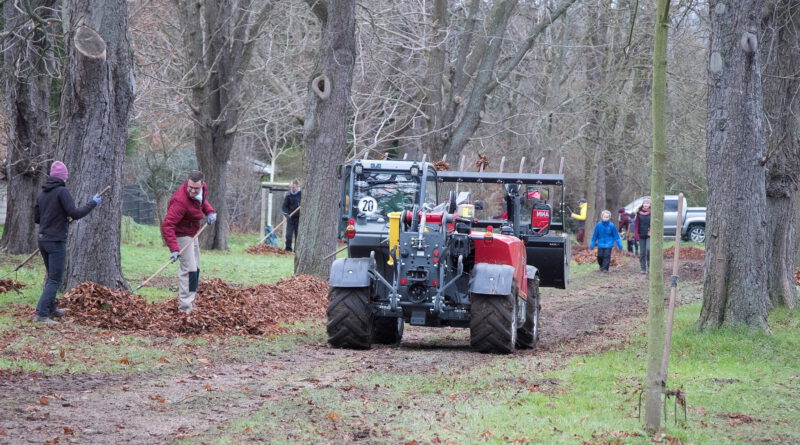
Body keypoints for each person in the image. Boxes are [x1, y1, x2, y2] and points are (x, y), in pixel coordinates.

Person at [33, 161, 102, 324]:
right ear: (63, 177)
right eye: (66, 175)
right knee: (55, 279)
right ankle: (41, 314)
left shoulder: (42, 194)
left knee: (52, 277)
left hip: (43, 240)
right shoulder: (62, 192)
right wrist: (93, 203)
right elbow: (75, 213)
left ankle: (51, 309)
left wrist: (58, 218)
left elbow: (37, 218)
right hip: (56, 241)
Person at [161, 171, 216, 313]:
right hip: (181, 236)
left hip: (193, 233)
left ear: (202, 185)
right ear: (187, 182)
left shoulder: (201, 190)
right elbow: (167, 225)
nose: (192, 190)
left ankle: (191, 304)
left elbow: (201, 202)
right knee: (189, 270)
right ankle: (185, 309)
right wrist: (174, 248)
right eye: (190, 187)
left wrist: (209, 212)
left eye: (196, 188)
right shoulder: (180, 201)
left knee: (195, 270)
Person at [281, 179, 301, 252]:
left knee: (298, 235)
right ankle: (288, 249)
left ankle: (297, 250)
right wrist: (287, 215)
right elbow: (284, 207)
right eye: (291, 187)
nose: (292, 189)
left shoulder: (301, 194)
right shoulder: (288, 195)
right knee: (288, 235)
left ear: (297, 186)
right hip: (290, 218)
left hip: (299, 218)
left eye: (294, 187)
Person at [633, 197, 652, 274]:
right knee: (642, 252)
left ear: (650, 204)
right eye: (645, 203)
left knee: (648, 250)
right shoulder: (638, 213)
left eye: (647, 203)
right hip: (641, 235)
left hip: (649, 235)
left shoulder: (652, 213)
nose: (646, 204)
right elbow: (636, 225)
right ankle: (643, 268)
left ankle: (650, 266)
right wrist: (636, 235)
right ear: (642, 204)